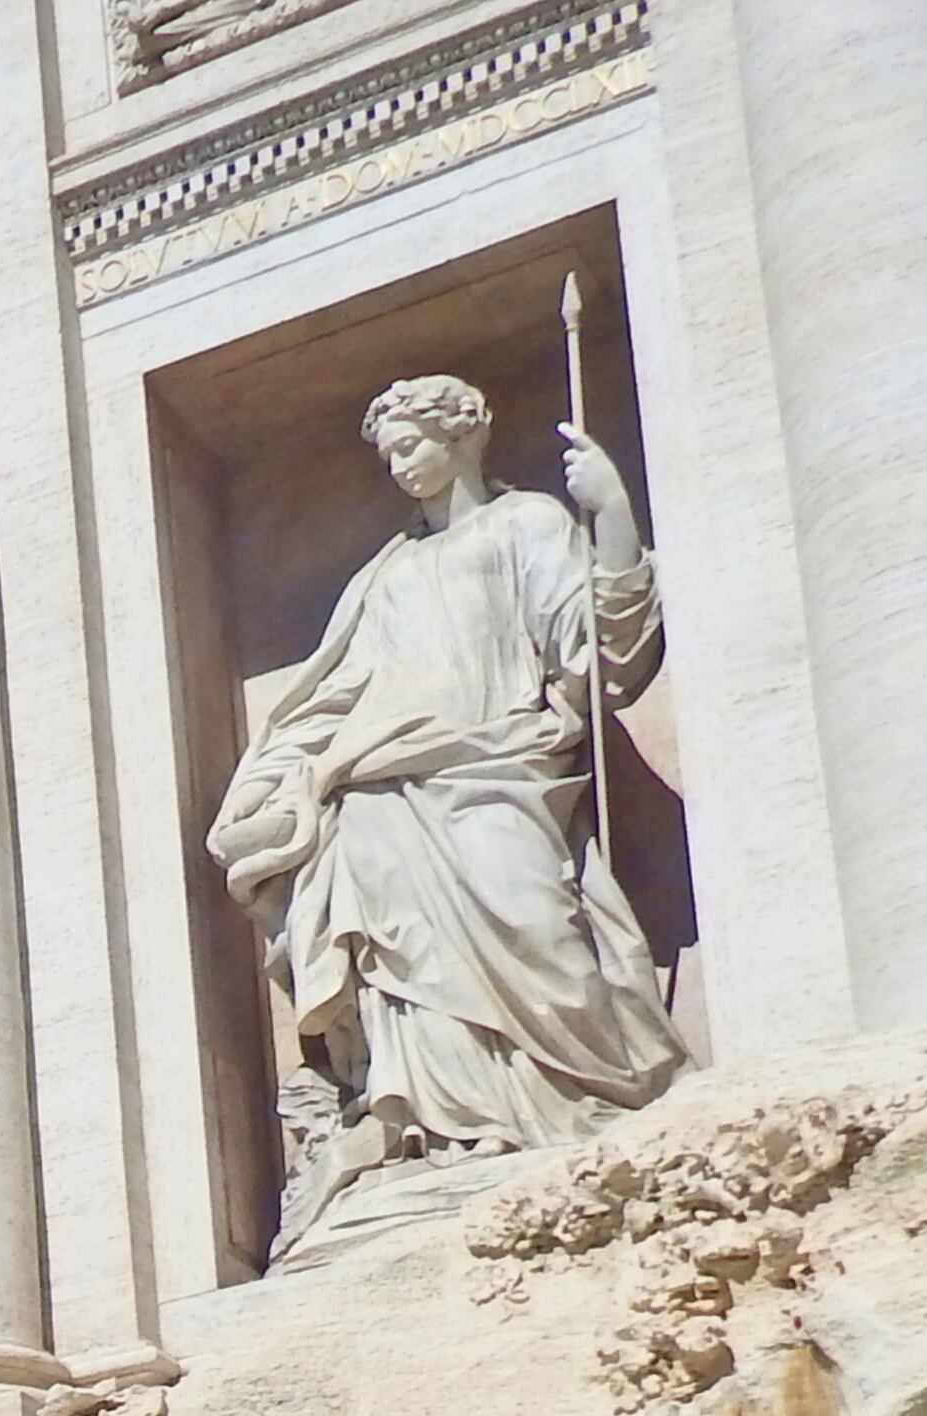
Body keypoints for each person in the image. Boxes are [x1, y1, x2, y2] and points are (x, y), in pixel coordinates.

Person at [209, 372, 685, 1245]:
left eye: (411, 446)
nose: (398, 467)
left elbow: (601, 651)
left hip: (501, 771)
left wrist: (611, 515)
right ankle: (439, 1131)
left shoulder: (528, 524)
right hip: (380, 793)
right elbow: (333, 695)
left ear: (464, 435)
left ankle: (577, 1105)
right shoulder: (383, 574)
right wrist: (278, 779)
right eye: (388, 454)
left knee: (537, 923)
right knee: (400, 967)